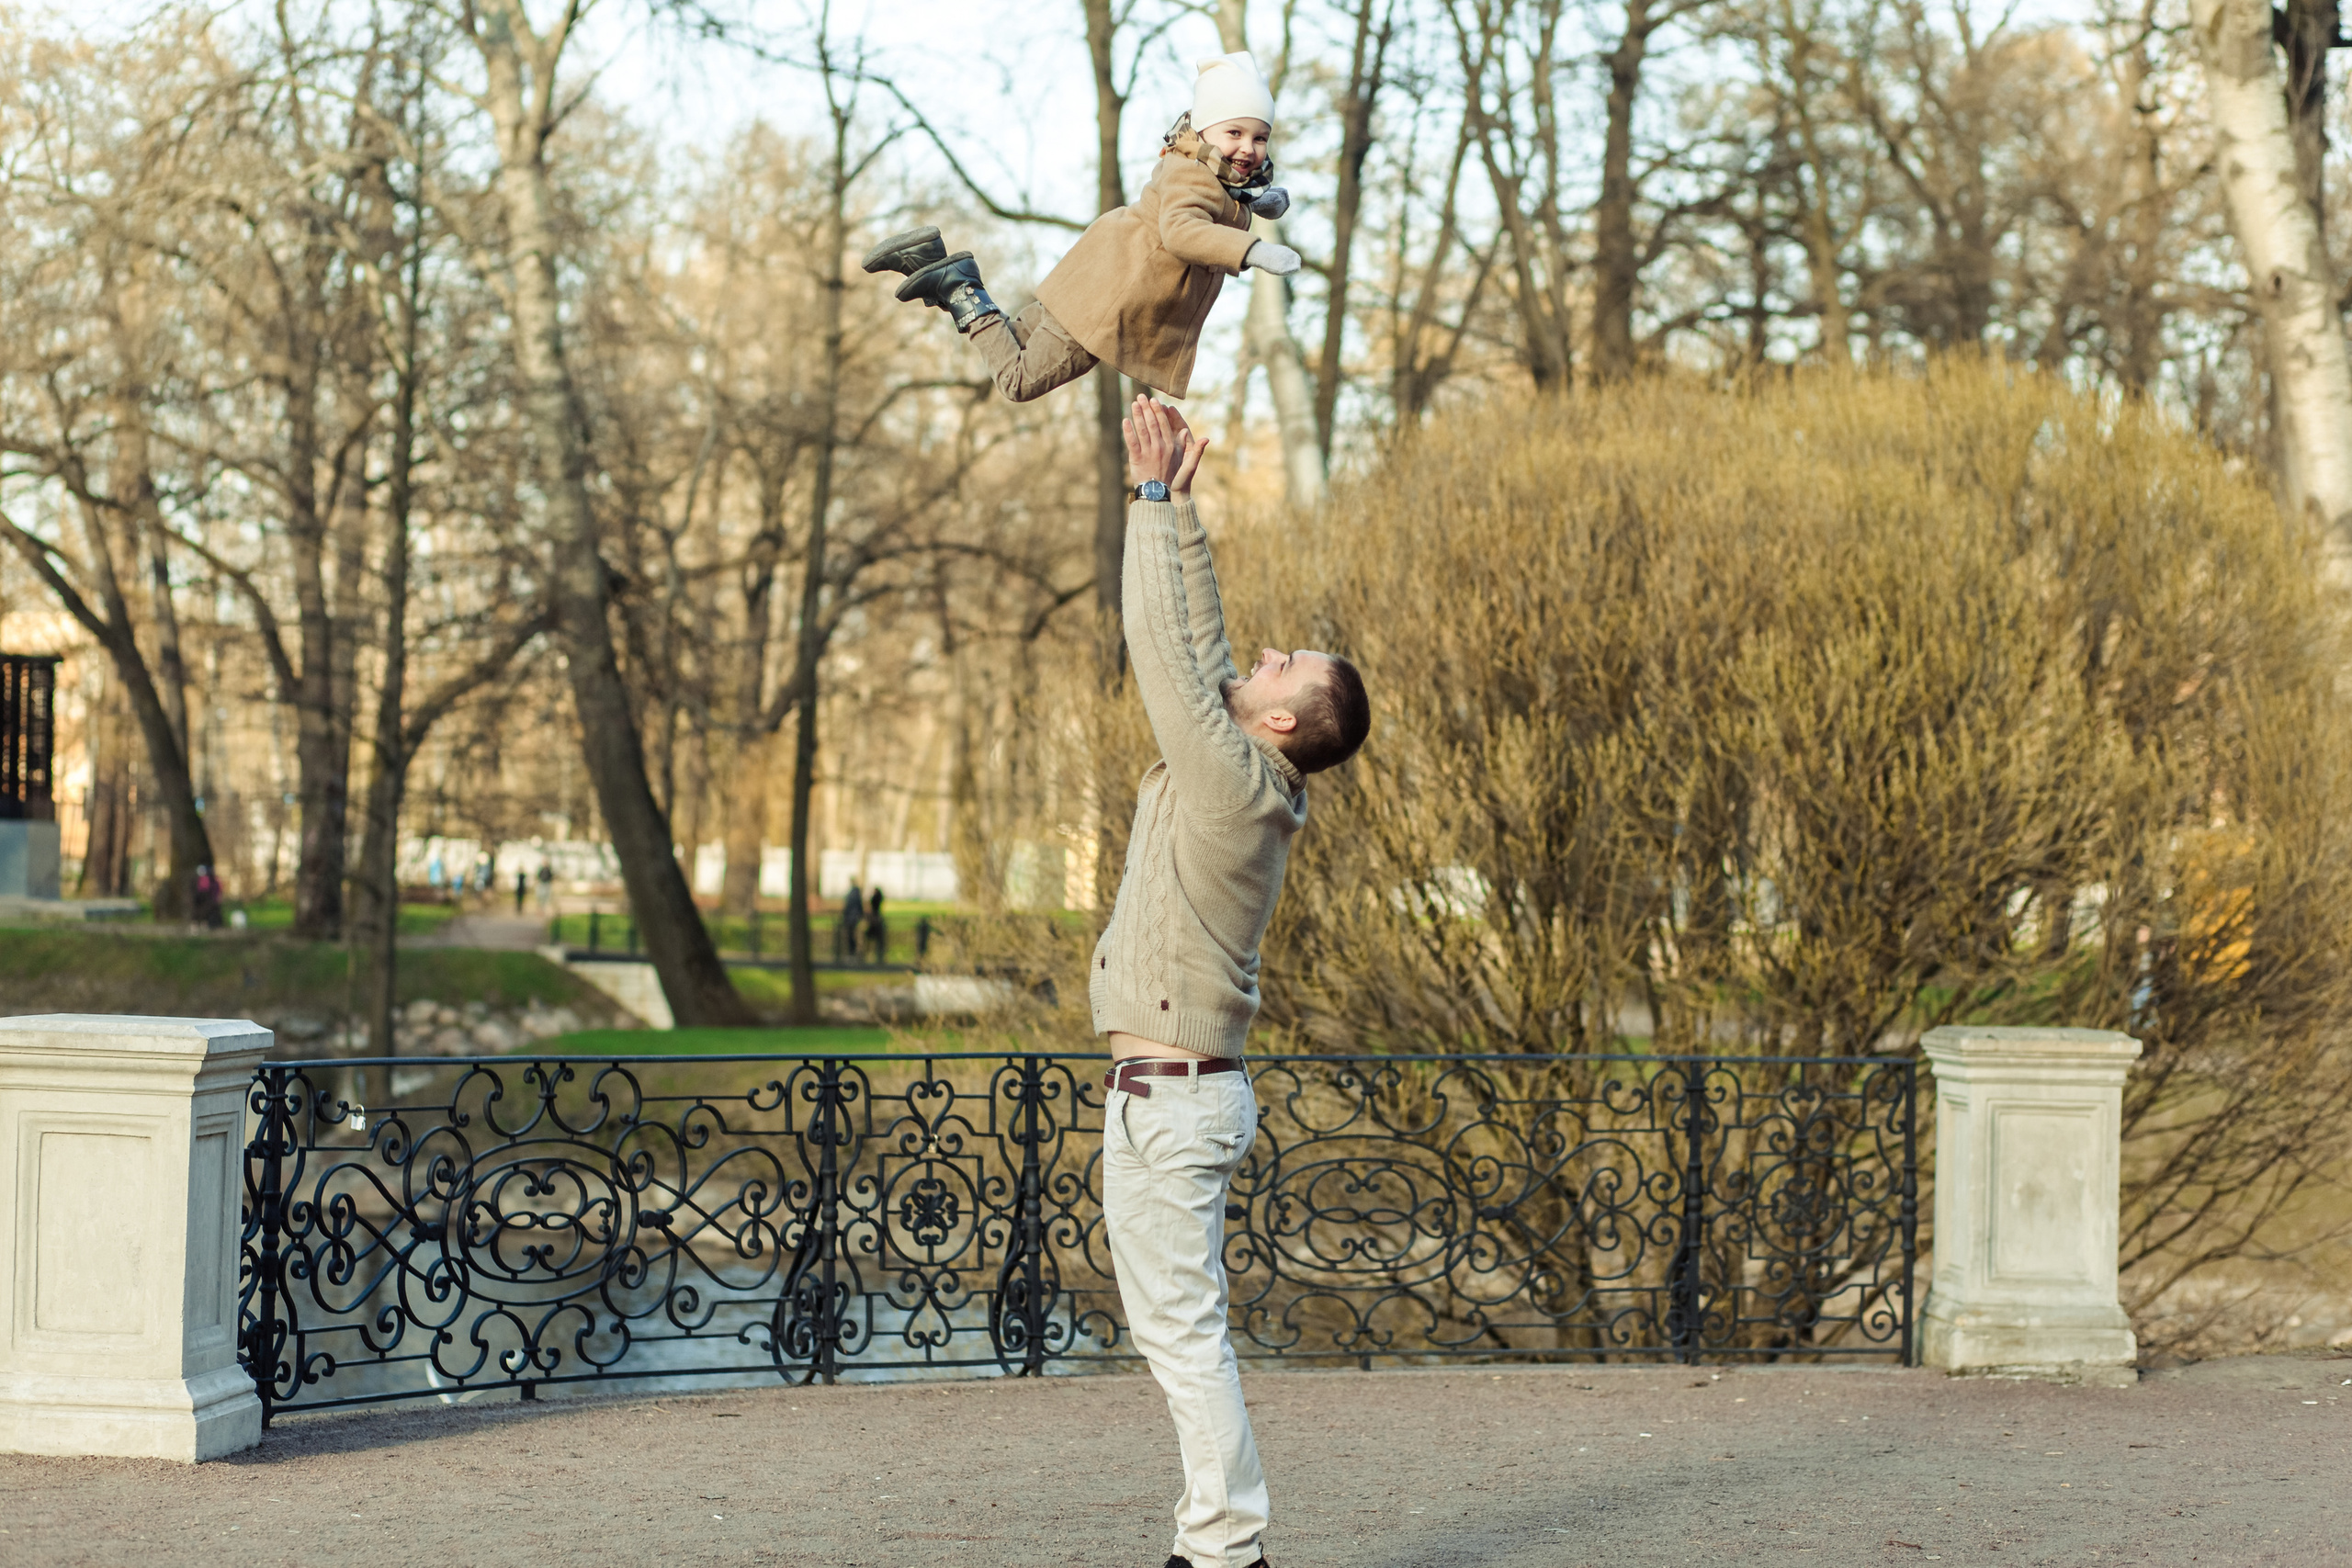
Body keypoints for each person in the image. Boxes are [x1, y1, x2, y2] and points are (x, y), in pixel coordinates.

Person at [1096, 396, 1369, 1568]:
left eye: (1280, 666)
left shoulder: (1233, 786)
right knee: (1174, 1331)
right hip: (1162, 1094)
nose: (1262, 655)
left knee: (1184, 1336)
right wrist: (1180, 513)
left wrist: (1151, 501)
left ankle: (1222, 1551)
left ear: (1277, 719)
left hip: (1175, 1099)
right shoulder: (1246, 764)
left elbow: (1165, 657)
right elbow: (1203, 654)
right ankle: (1220, 1543)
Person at [864, 53, 1296, 405]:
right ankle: (958, 288)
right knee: (1018, 381)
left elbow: (1227, 203)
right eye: (1234, 132)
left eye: (1260, 138)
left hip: (1098, 280)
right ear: (1203, 129)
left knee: (1012, 340)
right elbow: (1183, 231)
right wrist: (1252, 249)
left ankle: (928, 258)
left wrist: (1260, 202)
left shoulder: (1209, 173)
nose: (1248, 147)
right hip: (1107, 305)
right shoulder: (1192, 175)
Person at [839, 881, 865, 964]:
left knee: (851, 936)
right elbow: (859, 907)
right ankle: (853, 952)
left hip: (850, 919)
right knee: (852, 935)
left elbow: (848, 907)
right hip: (854, 918)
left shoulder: (851, 895)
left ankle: (852, 952)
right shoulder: (856, 894)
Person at [865, 887, 887, 964]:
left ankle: (869, 954)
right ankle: (878, 955)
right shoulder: (879, 898)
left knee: (869, 939)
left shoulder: (875, 899)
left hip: (874, 922)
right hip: (877, 921)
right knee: (878, 940)